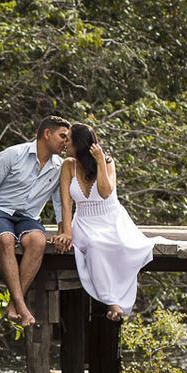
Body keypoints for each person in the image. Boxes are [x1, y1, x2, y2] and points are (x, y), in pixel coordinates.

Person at [0, 116, 71, 327]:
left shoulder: (59, 167)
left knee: (38, 241)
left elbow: (60, 203)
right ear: (47, 134)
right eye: (62, 136)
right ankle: (22, 306)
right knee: (5, 240)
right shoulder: (12, 155)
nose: (65, 142)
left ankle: (14, 303)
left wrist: (62, 232)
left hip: (28, 218)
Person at [52, 123, 152, 322]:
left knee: (123, 246)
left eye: (69, 139)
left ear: (79, 145)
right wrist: (67, 233)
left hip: (112, 219)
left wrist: (99, 163)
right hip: (84, 221)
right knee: (95, 245)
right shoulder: (67, 165)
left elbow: (106, 193)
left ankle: (119, 296)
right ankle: (111, 301)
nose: (65, 143)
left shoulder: (107, 161)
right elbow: (65, 203)